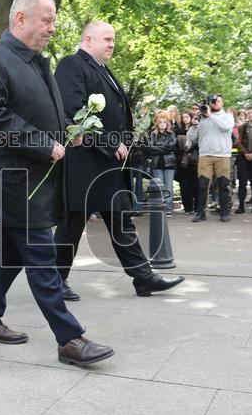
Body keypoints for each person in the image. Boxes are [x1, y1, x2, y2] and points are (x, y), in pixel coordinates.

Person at [0, 0, 116, 366]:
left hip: (37, 177)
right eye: (46, 20)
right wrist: (43, 144)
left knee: (10, 255)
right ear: (21, 18)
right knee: (41, 255)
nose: (52, 28)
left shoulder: (36, 63)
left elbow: (44, 115)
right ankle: (69, 338)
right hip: (14, 179)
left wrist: (68, 130)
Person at [53, 20, 183, 300]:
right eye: (107, 39)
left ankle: (143, 278)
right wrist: (109, 143)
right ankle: (54, 280)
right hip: (84, 164)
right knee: (73, 223)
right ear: (88, 40)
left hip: (109, 164)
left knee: (121, 221)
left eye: (114, 39)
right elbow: (72, 113)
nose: (112, 44)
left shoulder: (104, 70)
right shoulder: (71, 65)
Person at [192, 94, 235, 222]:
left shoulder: (228, 116)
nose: (215, 103)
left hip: (223, 155)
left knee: (223, 185)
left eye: (218, 101)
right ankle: (200, 213)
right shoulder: (202, 118)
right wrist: (194, 125)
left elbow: (225, 127)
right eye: (213, 101)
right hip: (205, 155)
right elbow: (192, 138)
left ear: (222, 103)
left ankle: (224, 212)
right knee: (202, 185)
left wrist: (210, 116)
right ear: (209, 103)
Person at [147, 113, 177, 214]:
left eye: (164, 122)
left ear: (167, 124)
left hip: (169, 164)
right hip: (156, 164)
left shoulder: (171, 134)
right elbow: (150, 148)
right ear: (157, 124)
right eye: (160, 122)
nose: (162, 124)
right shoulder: (153, 134)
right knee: (159, 187)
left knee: (168, 187)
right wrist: (165, 149)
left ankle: (168, 209)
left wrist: (159, 149)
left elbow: (172, 147)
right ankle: (160, 209)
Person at [176, 111, 199, 213]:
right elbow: (176, 146)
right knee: (184, 185)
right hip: (182, 162)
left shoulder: (196, 129)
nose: (185, 119)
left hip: (194, 161)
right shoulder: (178, 130)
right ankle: (187, 207)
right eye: (183, 117)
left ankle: (197, 207)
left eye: (187, 117)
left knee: (195, 185)